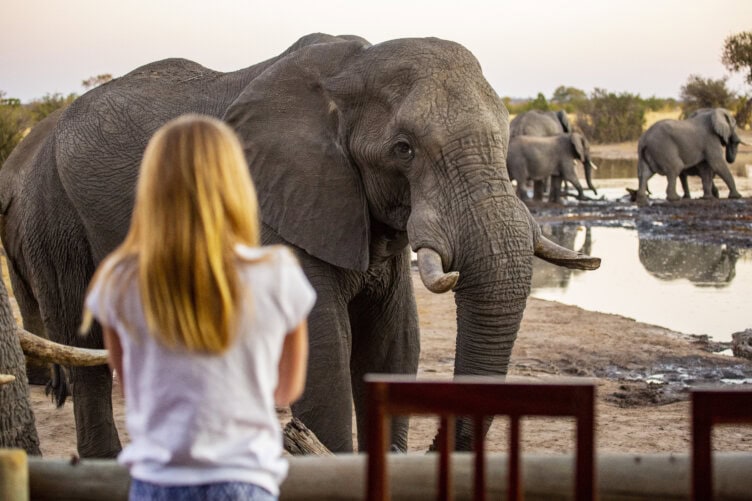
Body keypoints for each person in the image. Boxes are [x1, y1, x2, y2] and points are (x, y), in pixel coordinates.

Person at [81, 114, 315, 501]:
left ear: (151, 187)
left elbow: (130, 383)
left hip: (157, 481)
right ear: (236, 183)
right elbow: (286, 388)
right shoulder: (278, 271)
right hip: (246, 480)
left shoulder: (118, 277)